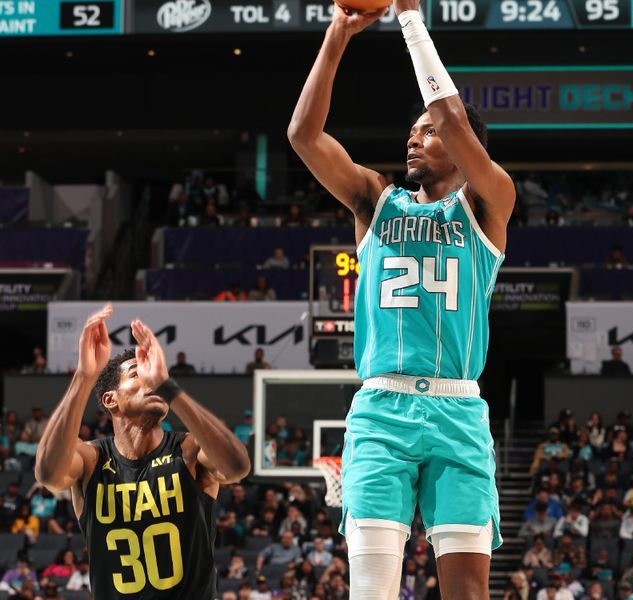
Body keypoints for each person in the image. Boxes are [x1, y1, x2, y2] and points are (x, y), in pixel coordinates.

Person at [288, 1, 516, 598]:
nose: (413, 137)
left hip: (459, 410)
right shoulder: (374, 200)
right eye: (412, 130)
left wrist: (412, 21)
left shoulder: (489, 202)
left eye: (427, 131)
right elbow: (302, 136)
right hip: (381, 410)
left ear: (462, 149)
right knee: (371, 589)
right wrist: (338, 34)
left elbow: (452, 114)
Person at [34, 304, 251, 599]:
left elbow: (237, 466)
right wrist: (84, 376)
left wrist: (167, 385)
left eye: (155, 375)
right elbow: (48, 473)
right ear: (111, 400)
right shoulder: (92, 459)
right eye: (139, 374)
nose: (151, 380)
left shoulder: (188, 449)